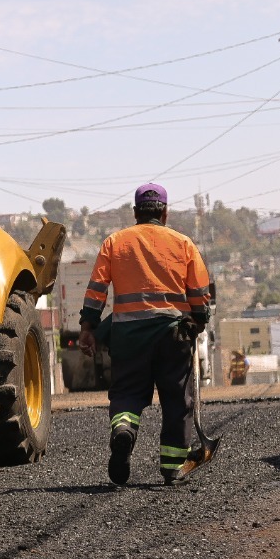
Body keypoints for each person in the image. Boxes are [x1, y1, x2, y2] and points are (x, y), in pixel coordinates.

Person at [79, 183, 213, 486]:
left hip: (127, 335)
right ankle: (171, 467)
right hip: (172, 335)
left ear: (136, 212)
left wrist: (88, 327)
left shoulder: (115, 243)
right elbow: (200, 293)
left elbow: (96, 291)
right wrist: (200, 320)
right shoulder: (183, 244)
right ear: (164, 213)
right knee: (177, 400)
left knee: (127, 393)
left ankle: (124, 428)